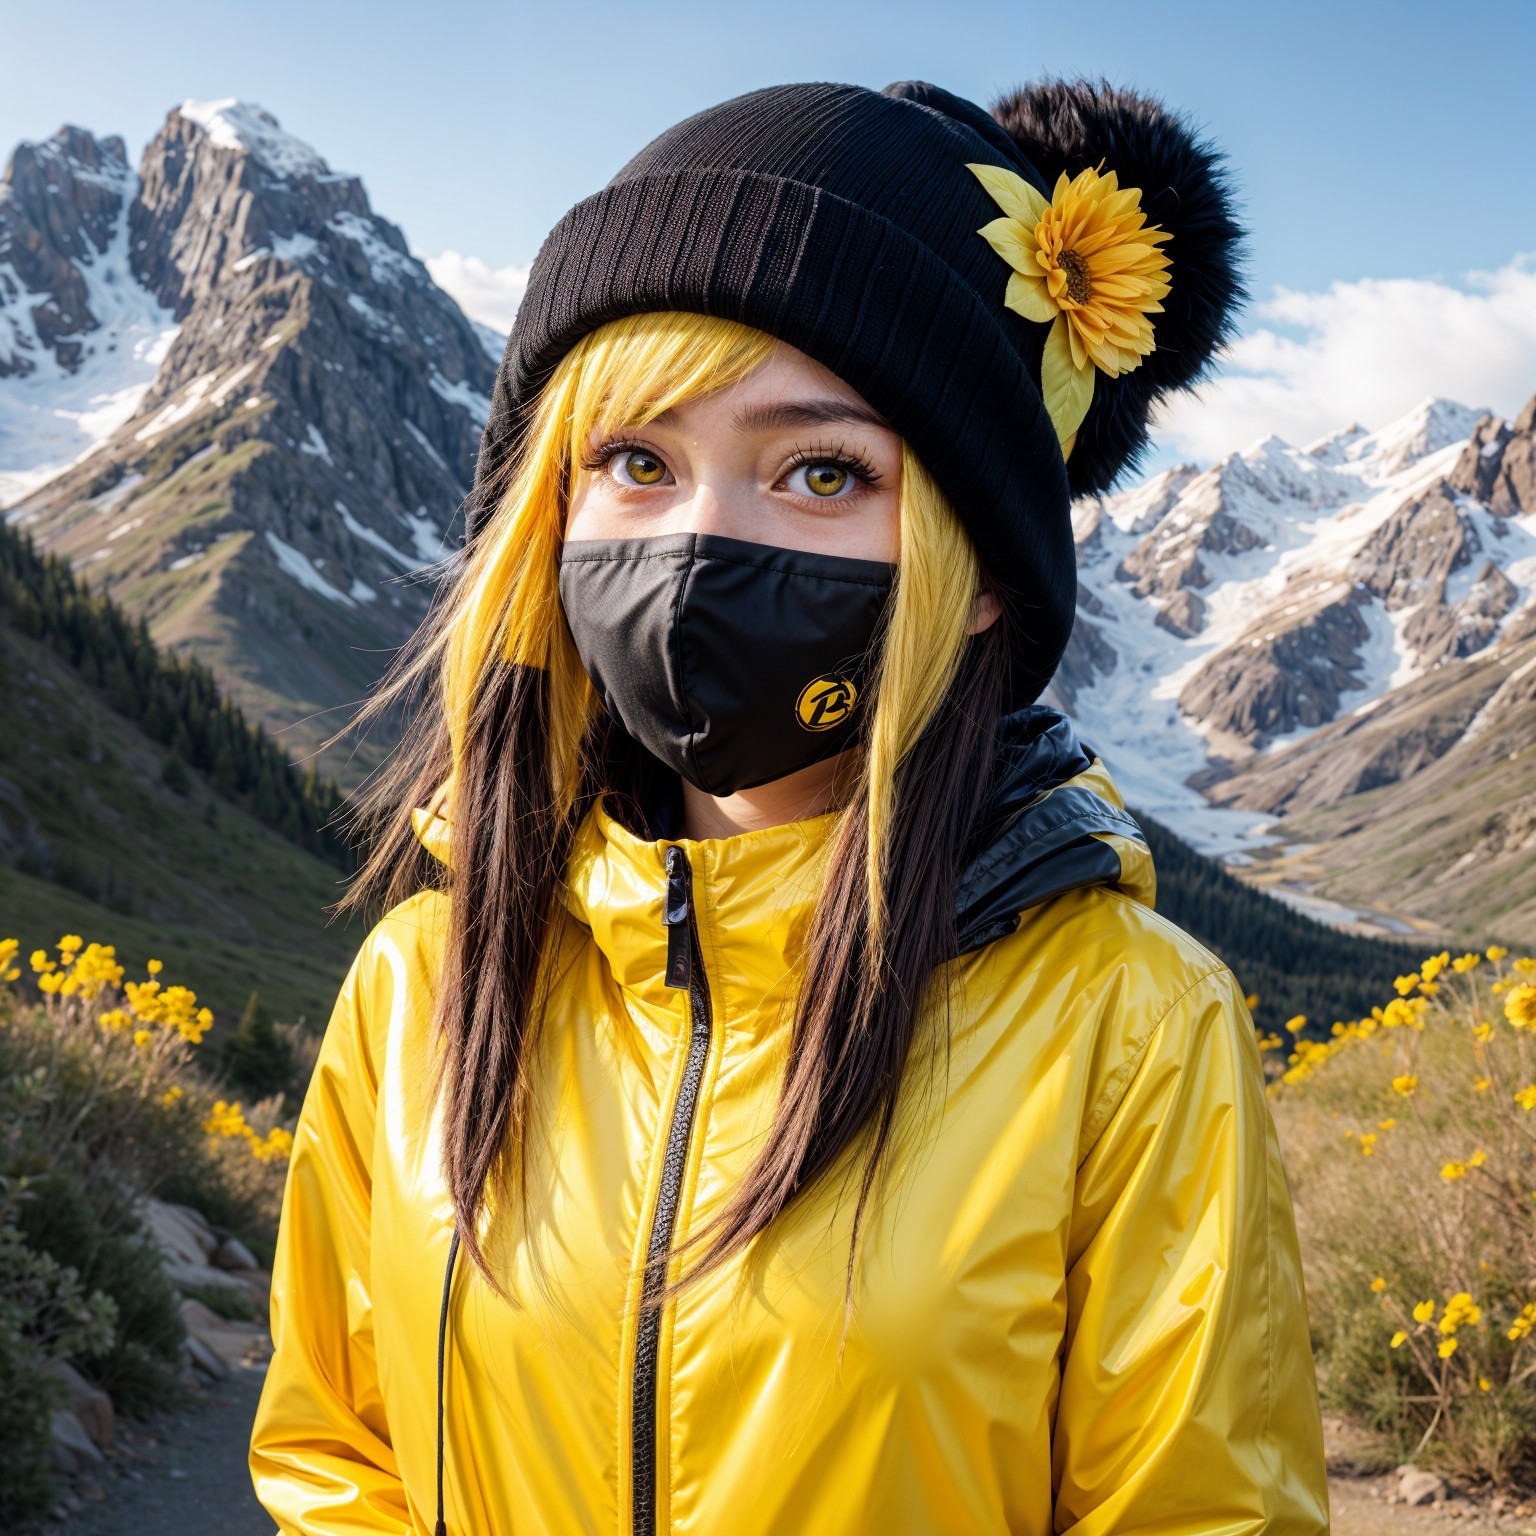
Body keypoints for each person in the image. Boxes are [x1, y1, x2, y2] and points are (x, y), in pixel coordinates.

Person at [249, 77, 1330, 1534]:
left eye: (821, 472)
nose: (702, 543)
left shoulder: (1130, 1029)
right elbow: (335, 1455)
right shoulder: (419, 990)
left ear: (984, 573)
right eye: (636, 461)